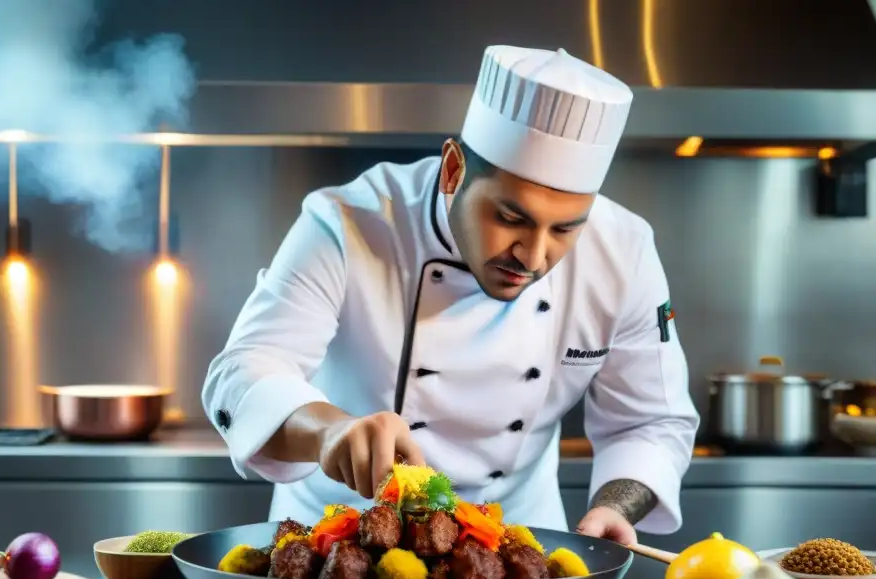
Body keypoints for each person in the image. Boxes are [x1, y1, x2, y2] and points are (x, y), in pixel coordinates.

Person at [203, 45, 700, 545]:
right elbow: (242, 371)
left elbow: (652, 423)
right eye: (510, 218)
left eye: (565, 230)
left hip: (514, 551)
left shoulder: (625, 251)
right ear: (453, 169)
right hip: (334, 546)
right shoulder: (348, 222)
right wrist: (329, 430)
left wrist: (614, 509)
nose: (533, 255)